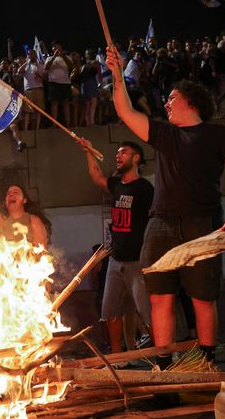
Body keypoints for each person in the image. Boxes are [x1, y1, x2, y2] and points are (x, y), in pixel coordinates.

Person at [104, 45, 225, 368]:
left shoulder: (217, 134)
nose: (167, 104)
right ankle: (164, 366)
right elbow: (125, 111)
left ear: (190, 100)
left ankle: (206, 362)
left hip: (202, 223)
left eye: (172, 98)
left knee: (203, 297)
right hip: (160, 224)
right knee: (160, 297)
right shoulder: (164, 134)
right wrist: (117, 74)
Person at [78, 138, 154, 354]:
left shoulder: (144, 188)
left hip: (137, 260)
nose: (118, 156)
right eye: (118, 153)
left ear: (136, 158)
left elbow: (155, 219)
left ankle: (163, 358)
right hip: (115, 259)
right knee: (110, 311)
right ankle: (118, 358)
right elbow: (97, 176)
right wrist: (88, 151)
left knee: (146, 313)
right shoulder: (117, 185)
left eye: (124, 153)